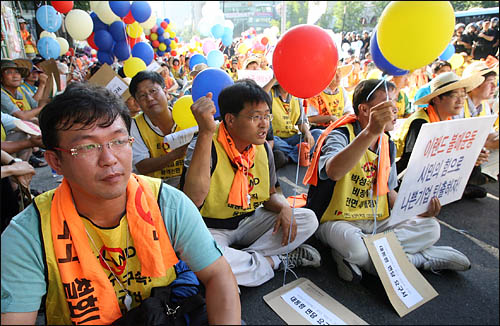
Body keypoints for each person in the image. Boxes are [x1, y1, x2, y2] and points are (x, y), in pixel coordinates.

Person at [0, 83, 240, 325]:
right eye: (87, 146)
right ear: (55, 161)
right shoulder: (30, 233)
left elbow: (218, 275)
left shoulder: (165, 202)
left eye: (118, 141)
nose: (109, 159)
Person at [304, 79, 472, 283]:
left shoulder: (386, 143)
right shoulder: (339, 135)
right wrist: (370, 132)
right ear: (364, 109)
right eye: (387, 103)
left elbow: (388, 191)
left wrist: (417, 210)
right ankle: (420, 259)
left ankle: (356, 257)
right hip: (337, 220)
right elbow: (333, 171)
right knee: (357, 249)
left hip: (375, 217)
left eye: (395, 102)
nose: (395, 109)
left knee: (431, 227)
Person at [182, 79, 321, 287]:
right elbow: (192, 201)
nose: (265, 124)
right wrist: (204, 133)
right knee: (193, 254)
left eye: (267, 116)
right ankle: (275, 261)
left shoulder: (263, 148)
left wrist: (284, 206)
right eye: (256, 117)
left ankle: (239, 263)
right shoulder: (204, 144)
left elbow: (271, 194)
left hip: (249, 220)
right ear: (230, 119)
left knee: (308, 219)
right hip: (211, 227)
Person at [395, 72, 488, 199]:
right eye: (454, 96)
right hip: (404, 176)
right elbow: (412, 163)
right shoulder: (420, 122)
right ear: (437, 98)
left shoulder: (448, 120)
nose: (460, 101)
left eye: (463, 95)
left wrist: (471, 157)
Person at [129, 71, 187, 188]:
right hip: (156, 190)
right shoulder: (134, 126)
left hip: (189, 185)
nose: (149, 98)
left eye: (153, 91)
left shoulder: (186, 115)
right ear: (137, 102)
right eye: (142, 96)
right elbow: (142, 165)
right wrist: (175, 155)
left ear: (165, 92)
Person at [263, 76, 323, 169]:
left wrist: (307, 133)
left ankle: (288, 158)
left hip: (293, 137)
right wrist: (274, 79)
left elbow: (301, 123)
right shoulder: (270, 93)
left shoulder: (296, 98)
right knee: (272, 143)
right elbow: (259, 96)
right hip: (276, 138)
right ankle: (300, 154)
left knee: (318, 134)